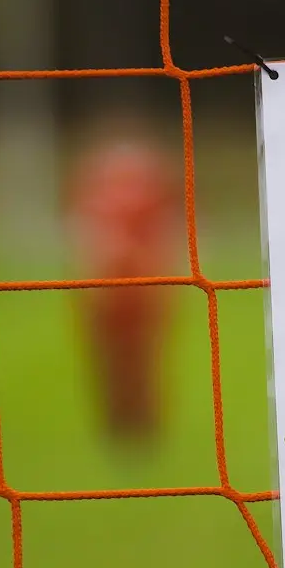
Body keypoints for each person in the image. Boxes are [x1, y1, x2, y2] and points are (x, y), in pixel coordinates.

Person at [70, 121, 179, 446]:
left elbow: (166, 236)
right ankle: (120, 421)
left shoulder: (148, 196)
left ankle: (141, 421)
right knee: (112, 360)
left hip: (141, 291)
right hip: (111, 292)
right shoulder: (101, 197)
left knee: (142, 358)